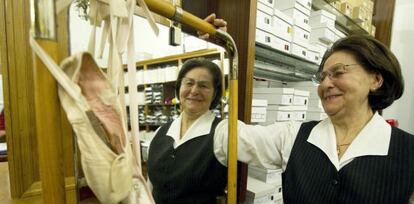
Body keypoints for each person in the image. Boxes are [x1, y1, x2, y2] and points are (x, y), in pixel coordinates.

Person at [214, 34, 414, 203]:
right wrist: (216, 51)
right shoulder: (293, 136)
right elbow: (229, 136)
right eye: (322, 77)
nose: (325, 84)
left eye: (338, 72)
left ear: (375, 80)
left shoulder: (408, 151)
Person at [146, 58, 227, 203]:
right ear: (179, 88)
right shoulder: (161, 131)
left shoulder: (222, 133)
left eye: (203, 86)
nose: (194, 91)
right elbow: (151, 185)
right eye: (189, 83)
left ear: (214, 93)